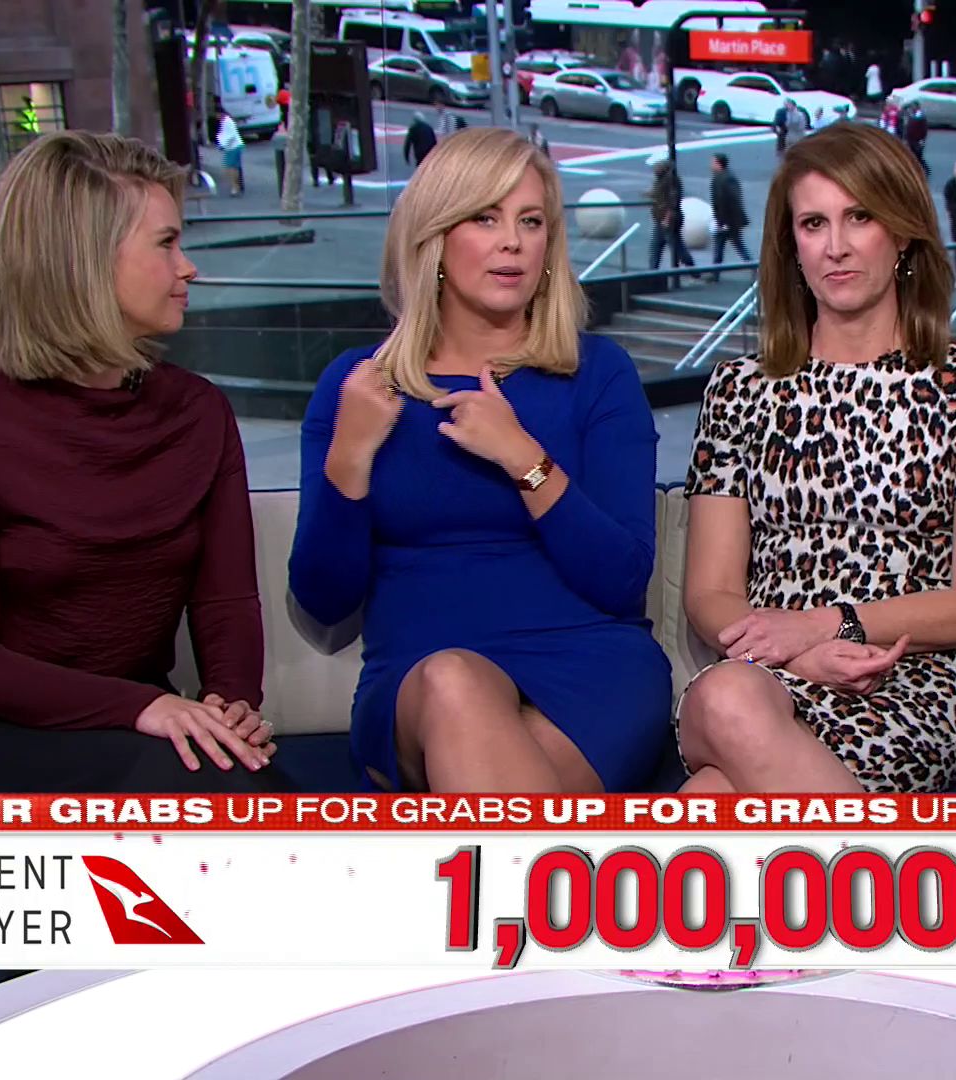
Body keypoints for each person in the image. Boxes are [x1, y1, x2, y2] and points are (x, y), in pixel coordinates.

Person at [0, 132, 284, 794]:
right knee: (217, 792)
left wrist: (231, 704)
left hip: (134, 727)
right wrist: (144, 707)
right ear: (84, 262)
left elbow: (225, 601)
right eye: (165, 244)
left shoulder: (198, 412)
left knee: (247, 784)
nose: (188, 268)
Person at [288, 127, 669, 793]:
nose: (512, 241)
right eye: (485, 218)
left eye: (531, 221)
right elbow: (324, 599)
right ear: (435, 236)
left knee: (487, 768)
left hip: (591, 672)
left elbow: (622, 579)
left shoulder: (598, 374)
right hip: (419, 679)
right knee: (454, 682)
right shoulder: (359, 386)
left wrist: (522, 455)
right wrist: (349, 455)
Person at [677, 123, 956, 793]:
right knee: (727, 698)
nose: (835, 246)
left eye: (860, 217)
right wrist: (796, 654)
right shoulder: (737, 390)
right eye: (813, 224)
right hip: (764, 669)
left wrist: (828, 626)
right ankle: (875, 858)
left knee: (710, 799)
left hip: (907, 681)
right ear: (792, 246)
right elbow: (709, 593)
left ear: (902, 234)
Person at [648, 157, 695, 282]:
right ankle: (651, 275)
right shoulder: (661, 180)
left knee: (677, 248)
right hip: (661, 219)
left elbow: (672, 202)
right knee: (656, 248)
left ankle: (694, 272)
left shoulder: (671, 181)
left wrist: (667, 219)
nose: (654, 169)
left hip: (668, 220)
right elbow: (659, 194)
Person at [708, 152, 752, 279]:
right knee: (722, 245)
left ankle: (755, 268)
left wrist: (723, 221)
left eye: (713, 162)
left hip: (729, 221)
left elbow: (729, 201)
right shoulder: (722, 177)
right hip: (725, 220)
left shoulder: (726, 178)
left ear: (719, 164)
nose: (711, 165)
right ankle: (715, 273)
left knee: (736, 245)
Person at [215, 107, 245, 195]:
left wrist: (223, 145)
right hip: (233, 146)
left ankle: (234, 186)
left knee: (230, 168)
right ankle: (236, 186)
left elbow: (230, 135)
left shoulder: (227, 122)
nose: (216, 117)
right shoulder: (226, 122)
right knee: (234, 167)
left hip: (232, 147)